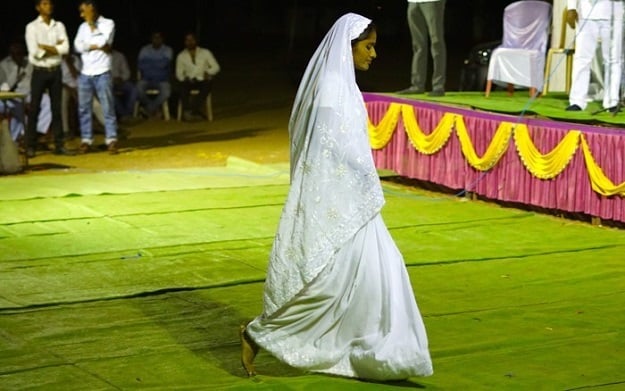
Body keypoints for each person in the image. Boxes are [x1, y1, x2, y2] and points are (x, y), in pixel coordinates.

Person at [239, 13, 433, 381]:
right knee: (331, 284)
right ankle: (260, 333)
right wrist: (358, 183)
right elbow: (326, 149)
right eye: (368, 46)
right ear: (348, 47)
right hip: (340, 199)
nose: (374, 54)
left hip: (357, 197)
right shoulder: (330, 87)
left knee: (377, 274)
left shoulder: (345, 86)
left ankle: (380, 352)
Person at [24, 0, 71, 157]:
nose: (48, 6)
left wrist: (44, 46)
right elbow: (34, 52)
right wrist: (55, 48)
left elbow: (66, 49)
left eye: (50, 3)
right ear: (38, 7)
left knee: (56, 109)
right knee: (34, 108)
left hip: (55, 70)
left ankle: (59, 145)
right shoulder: (32, 27)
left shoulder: (59, 26)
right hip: (40, 71)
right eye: (44, 4)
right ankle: (31, 145)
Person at [73, 0, 118, 154]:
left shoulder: (108, 23)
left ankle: (111, 139)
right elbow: (77, 46)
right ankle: (86, 140)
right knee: (84, 108)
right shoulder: (82, 27)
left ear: (92, 9)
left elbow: (104, 41)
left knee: (107, 106)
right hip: (85, 72)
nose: (81, 15)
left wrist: (92, 27)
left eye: (83, 11)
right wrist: (93, 45)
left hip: (102, 71)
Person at [565, 0, 624, 112]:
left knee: (613, 59)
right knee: (582, 58)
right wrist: (571, 7)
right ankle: (577, 101)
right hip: (585, 13)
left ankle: (611, 102)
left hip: (613, 13)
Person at [397, 0, 447, 96]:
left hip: (433, 2)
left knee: (436, 43)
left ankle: (438, 86)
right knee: (418, 46)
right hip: (413, 2)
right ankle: (417, 85)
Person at [175, 32, 220, 121]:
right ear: (185, 42)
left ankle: (191, 111)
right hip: (189, 80)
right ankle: (190, 111)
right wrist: (185, 78)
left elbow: (216, 67)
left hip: (202, 79)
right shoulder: (181, 56)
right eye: (187, 40)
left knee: (208, 84)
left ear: (196, 41)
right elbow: (178, 74)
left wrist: (208, 72)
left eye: (192, 40)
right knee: (182, 86)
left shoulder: (205, 52)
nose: (190, 42)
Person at [136, 31, 172, 118]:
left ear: (162, 39)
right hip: (146, 79)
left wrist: (149, 63)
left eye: (158, 37)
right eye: (154, 38)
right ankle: (154, 109)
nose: (156, 40)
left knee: (166, 92)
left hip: (162, 80)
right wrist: (158, 63)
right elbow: (141, 65)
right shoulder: (145, 49)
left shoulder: (167, 50)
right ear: (151, 39)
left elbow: (164, 64)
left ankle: (148, 108)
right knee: (138, 89)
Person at [110, 48, 137, 121]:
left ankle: (127, 113)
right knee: (108, 93)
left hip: (120, 81)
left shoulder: (119, 56)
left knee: (133, 89)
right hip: (106, 83)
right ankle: (124, 114)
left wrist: (121, 78)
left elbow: (126, 72)